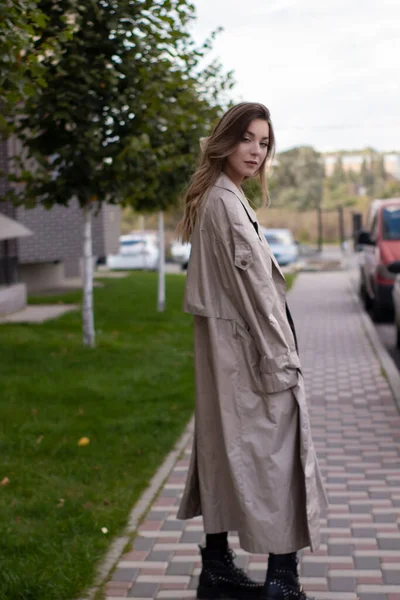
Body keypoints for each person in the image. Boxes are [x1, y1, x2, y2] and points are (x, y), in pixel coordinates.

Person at [176, 102, 328, 600]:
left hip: (228, 355)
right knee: (279, 458)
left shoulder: (220, 197)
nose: (256, 151)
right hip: (250, 355)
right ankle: (282, 580)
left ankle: (217, 566)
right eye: (247, 139)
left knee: (225, 452)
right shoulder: (225, 202)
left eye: (263, 143)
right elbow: (258, 298)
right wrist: (284, 360)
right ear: (226, 140)